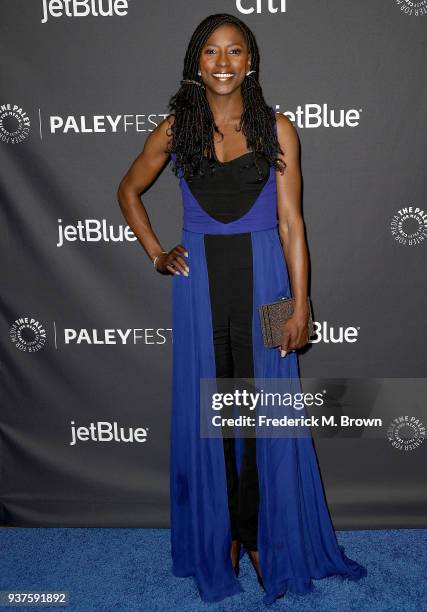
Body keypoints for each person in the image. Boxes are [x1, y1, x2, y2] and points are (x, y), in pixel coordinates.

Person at [117, 12, 367, 606]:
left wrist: (302, 305)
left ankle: (260, 537)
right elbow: (128, 190)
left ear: (250, 61)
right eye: (211, 52)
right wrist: (156, 253)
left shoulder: (279, 129)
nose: (223, 62)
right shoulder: (176, 130)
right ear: (195, 62)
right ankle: (224, 535)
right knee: (217, 414)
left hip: (266, 285)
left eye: (235, 51)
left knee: (261, 414)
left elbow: (291, 224)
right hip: (198, 284)